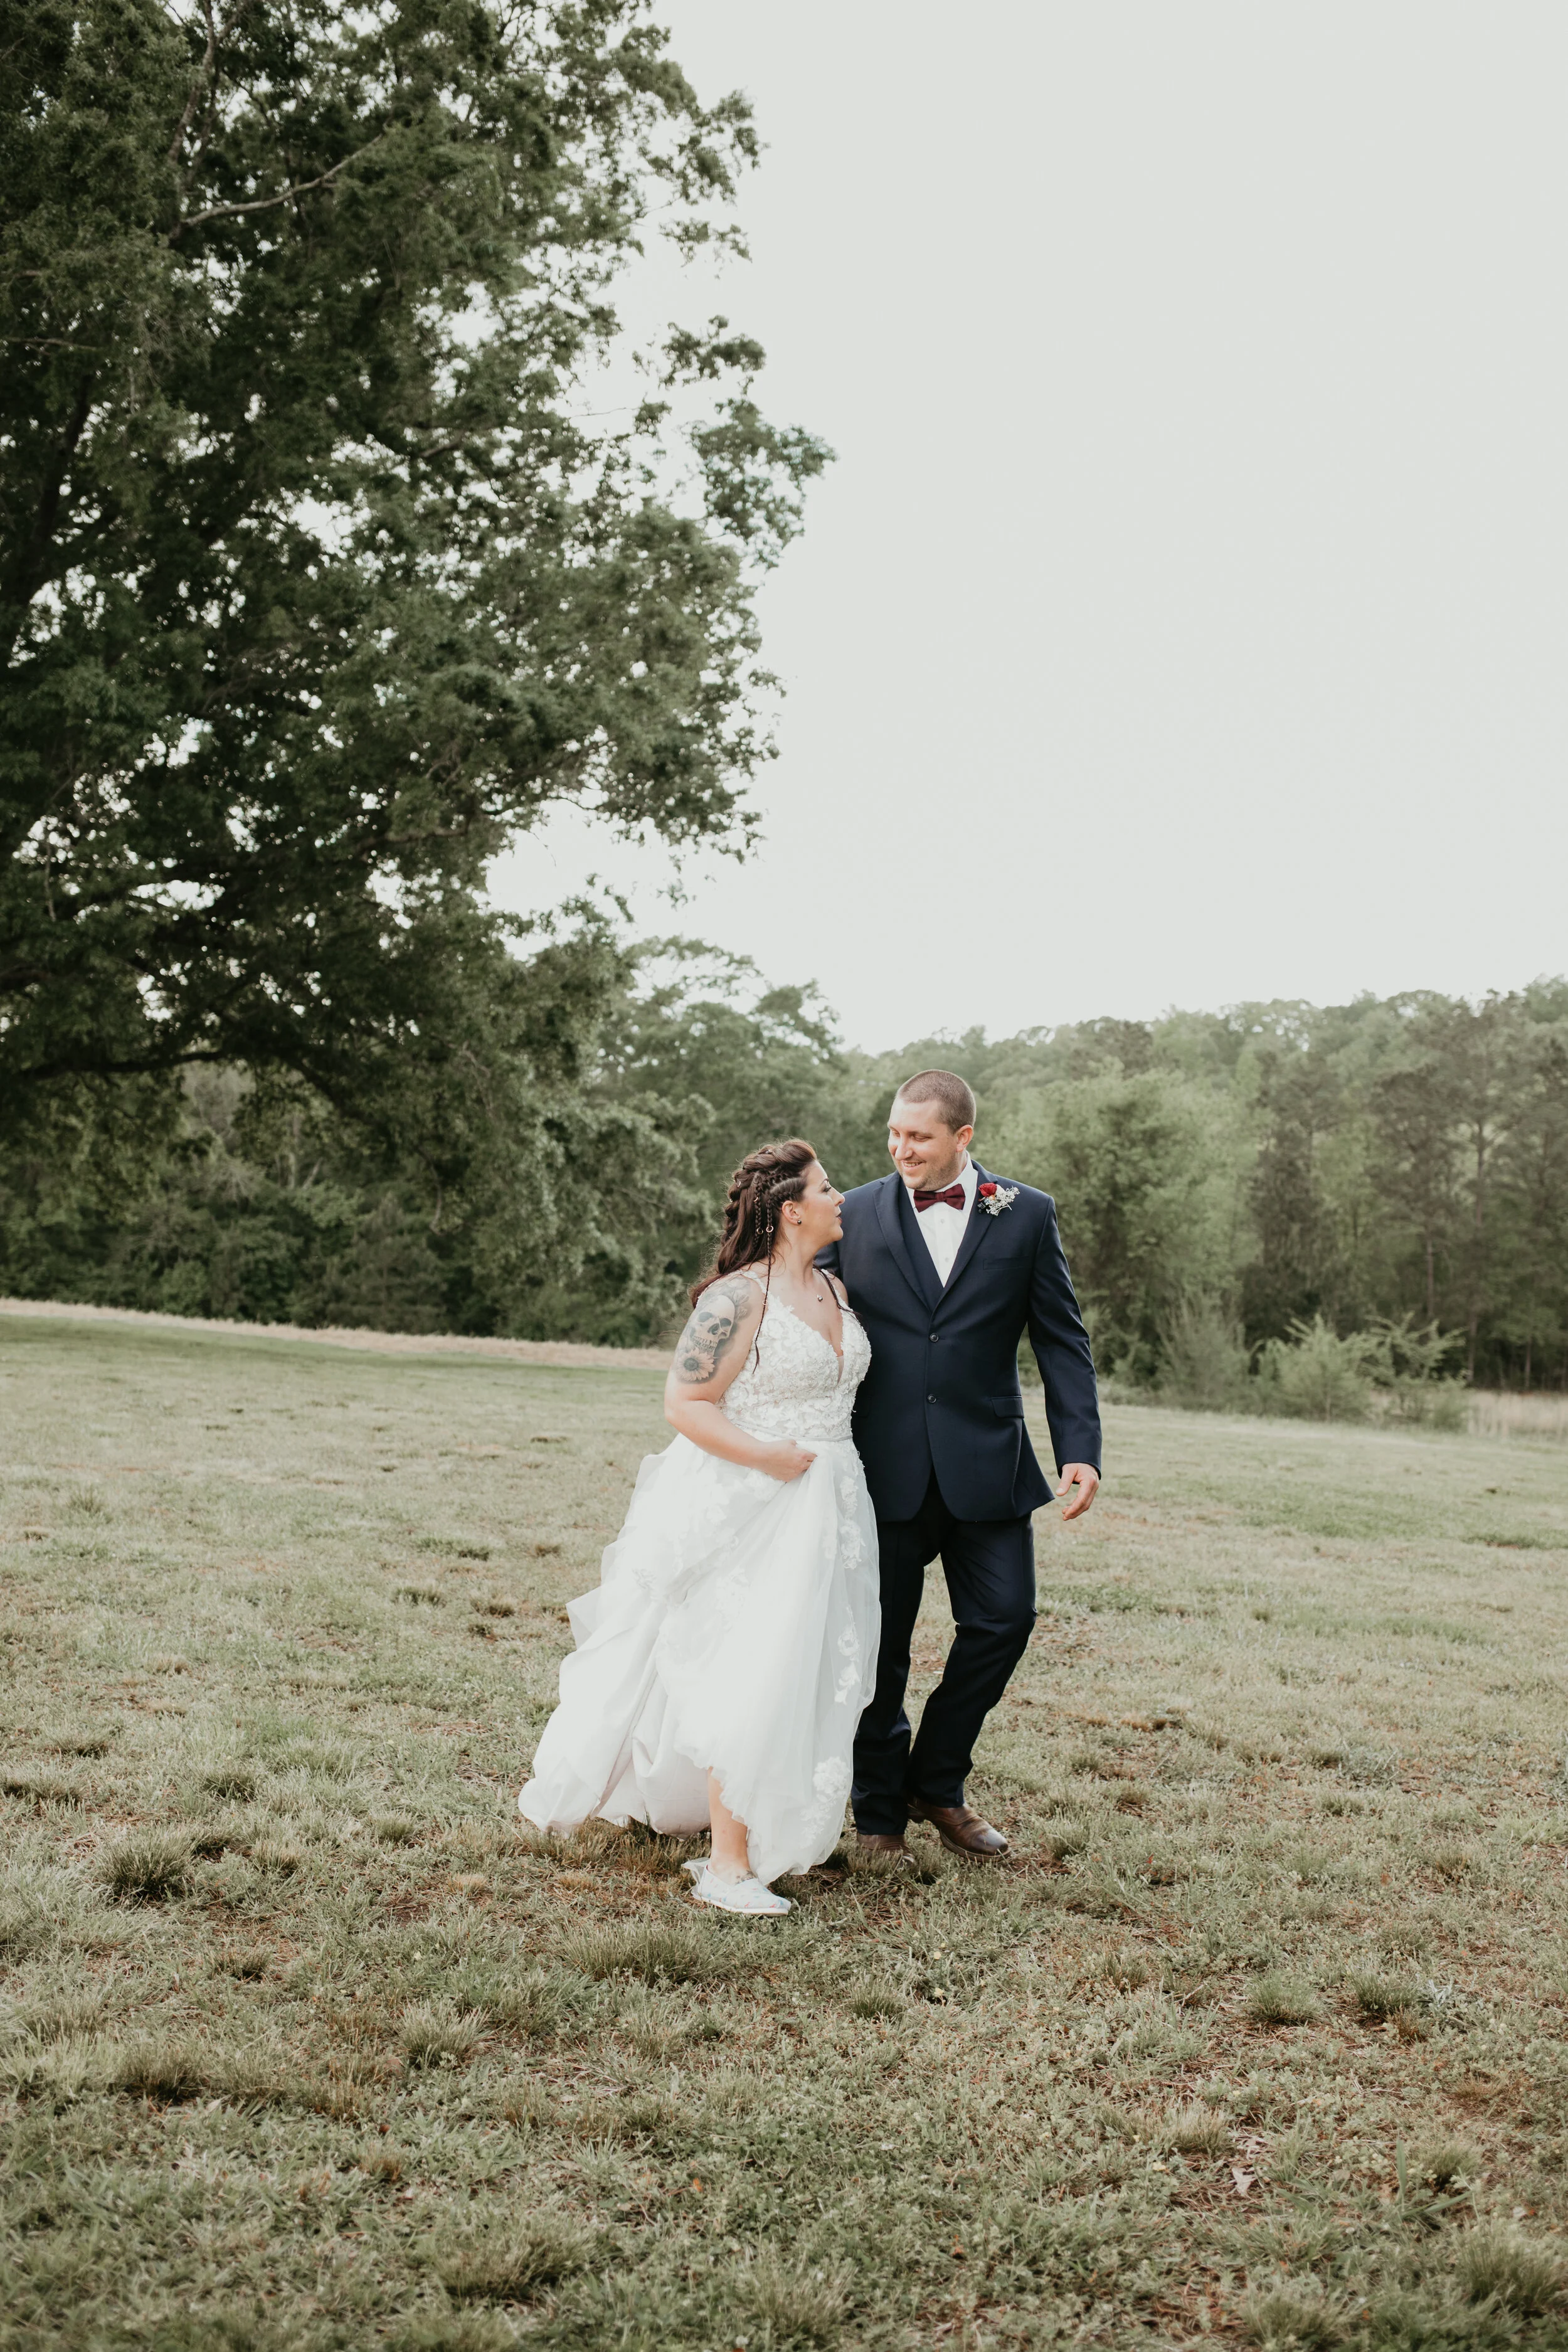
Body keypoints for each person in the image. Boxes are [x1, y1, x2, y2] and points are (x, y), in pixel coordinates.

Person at [518, 1140, 879, 1916]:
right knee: (753, 1667)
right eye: (826, 1186)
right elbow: (685, 1406)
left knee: (809, 1668)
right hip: (759, 1501)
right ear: (791, 1209)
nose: (840, 1195)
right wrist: (768, 1457)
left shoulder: (834, 1289)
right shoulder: (737, 1300)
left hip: (835, 1503)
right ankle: (726, 1864)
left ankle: (768, 1823)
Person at [817, 1070, 1100, 1861]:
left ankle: (935, 1781)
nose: (901, 1150)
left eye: (919, 1137)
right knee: (882, 1647)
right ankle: (878, 1817)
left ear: (962, 1138)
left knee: (1005, 1621)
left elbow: (1061, 1341)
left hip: (989, 1462)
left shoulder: (1026, 1213)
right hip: (882, 1467)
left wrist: (1079, 1450)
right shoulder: (857, 1212)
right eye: (894, 1135)